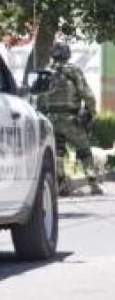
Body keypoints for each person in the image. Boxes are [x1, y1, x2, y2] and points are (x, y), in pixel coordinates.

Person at [36, 41, 103, 196]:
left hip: (51, 119)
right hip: (70, 119)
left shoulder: (47, 72)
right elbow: (86, 93)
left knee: (58, 152)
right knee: (84, 150)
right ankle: (93, 184)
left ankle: (60, 184)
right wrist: (92, 111)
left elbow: (39, 98)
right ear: (67, 54)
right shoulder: (73, 71)